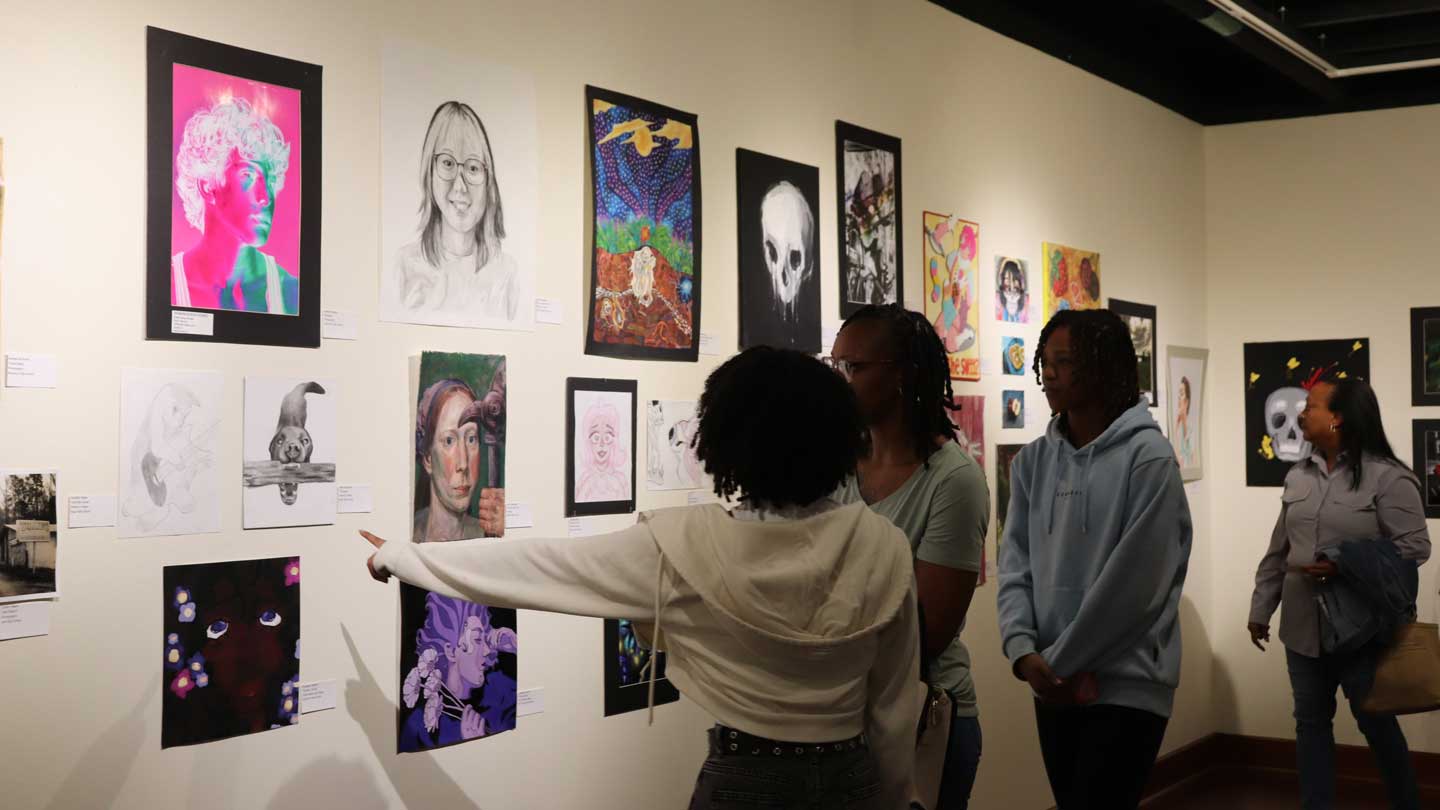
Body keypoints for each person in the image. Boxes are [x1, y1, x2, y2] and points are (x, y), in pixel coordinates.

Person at [362, 347, 921, 809]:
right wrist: (896, 798)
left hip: (746, 782)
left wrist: (404, 558)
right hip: (855, 782)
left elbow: (542, 567)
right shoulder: (884, 546)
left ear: (728, 441)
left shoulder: (686, 544)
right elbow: (894, 708)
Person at [997, 309, 1193, 810]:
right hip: (1049, 680)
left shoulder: (1148, 459)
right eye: (1046, 360)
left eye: (1065, 360)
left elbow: (1136, 588)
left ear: (1105, 368)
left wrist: (1057, 665)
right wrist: (1023, 651)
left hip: (1126, 683)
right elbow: (1014, 564)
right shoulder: (1033, 462)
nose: (1051, 373)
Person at [829, 304, 989, 809]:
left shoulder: (953, 481)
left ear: (901, 375)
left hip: (926, 714)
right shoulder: (834, 466)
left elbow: (927, 630)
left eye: (853, 368)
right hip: (844, 713)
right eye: (834, 366)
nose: (840, 381)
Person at [1248, 378, 1429, 810]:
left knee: (1378, 727)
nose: (1301, 414)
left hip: (1363, 632)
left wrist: (1345, 563)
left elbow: (1415, 548)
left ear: (1338, 417)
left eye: (1310, 406)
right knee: (1310, 726)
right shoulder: (1298, 474)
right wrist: (1261, 608)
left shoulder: (1389, 477)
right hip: (1301, 629)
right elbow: (1279, 548)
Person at [388, 100, 519, 321]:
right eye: (448, 163)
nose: (459, 186)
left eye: (473, 168)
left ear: (488, 181)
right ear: (429, 171)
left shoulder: (507, 273)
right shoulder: (403, 265)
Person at [172, 97, 298, 314]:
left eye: (270, 181)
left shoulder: (290, 291)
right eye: (248, 174)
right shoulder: (168, 286)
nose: (265, 197)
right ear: (208, 185)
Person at [413, 377, 504, 543]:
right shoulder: (412, 530)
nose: (463, 464)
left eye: (471, 439)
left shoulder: (490, 536)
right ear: (428, 459)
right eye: (449, 441)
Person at [1173, 376, 1193, 467]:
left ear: (1187, 401)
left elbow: (1188, 458)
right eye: (1179, 392)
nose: (1179, 397)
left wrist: (1183, 413)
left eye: (1182, 393)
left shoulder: (1189, 428)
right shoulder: (1175, 423)